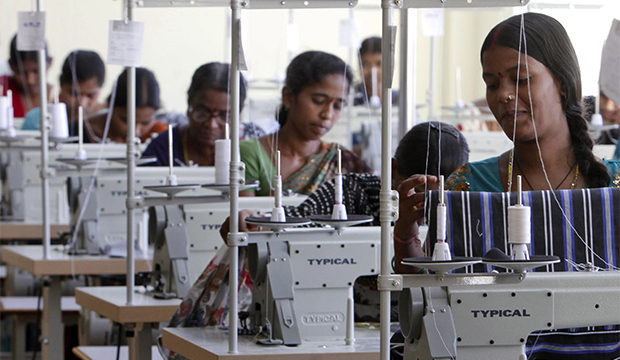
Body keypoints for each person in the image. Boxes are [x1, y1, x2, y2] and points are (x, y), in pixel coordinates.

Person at [397, 13, 620, 360]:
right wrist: (405, 233)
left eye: (521, 79)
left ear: (562, 82)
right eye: (492, 83)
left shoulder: (616, 187)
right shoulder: (466, 186)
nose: (503, 95)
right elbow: (426, 301)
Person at [163, 122, 468, 345]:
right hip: (334, 329)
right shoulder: (355, 190)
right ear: (391, 170)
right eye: (415, 189)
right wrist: (253, 222)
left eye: (438, 193)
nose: (423, 203)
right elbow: (297, 224)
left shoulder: (462, 211)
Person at [240, 51, 371, 197]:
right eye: (318, 101)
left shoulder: (342, 161)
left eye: (338, 106)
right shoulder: (251, 153)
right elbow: (244, 215)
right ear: (288, 97)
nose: (327, 114)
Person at [141, 62, 265, 166]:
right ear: (189, 105)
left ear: (239, 113)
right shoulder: (163, 148)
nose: (211, 125)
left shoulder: (256, 142)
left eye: (224, 116)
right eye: (202, 113)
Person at [72, 67, 167, 143]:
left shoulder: (162, 137)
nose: (135, 132)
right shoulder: (76, 133)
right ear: (110, 105)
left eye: (145, 123)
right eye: (127, 121)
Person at [21, 50, 106, 130]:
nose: (82, 103)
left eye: (90, 95)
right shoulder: (37, 121)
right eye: (74, 94)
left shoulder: (108, 124)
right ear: (61, 85)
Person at [1, 35, 52, 117]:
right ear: (10, 65)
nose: (29, 80)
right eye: (21, 72)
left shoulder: (58, 98)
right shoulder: (2, 89)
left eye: (36, 71)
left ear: (49, 63)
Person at [353, 36, 399, 107]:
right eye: (366, 64)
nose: (373, 71)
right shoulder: (351, 99)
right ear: (359, 66)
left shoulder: (399, 99)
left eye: (379, 64)